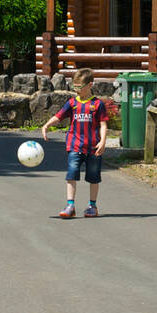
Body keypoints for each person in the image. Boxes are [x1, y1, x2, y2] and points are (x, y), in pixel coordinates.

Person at [42, 68, 108, 218]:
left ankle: (92, 206)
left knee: (93, 176)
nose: (76, 90)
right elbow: (59, 116)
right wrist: (46, 125)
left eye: (79, 87)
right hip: (75, 146)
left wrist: (103, 142)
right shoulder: (72, 103)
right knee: (71, 174)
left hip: (93, 147)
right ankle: (70, 205)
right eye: (75, 87)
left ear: (90, 85)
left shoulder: (98, 104)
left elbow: (103, 125)